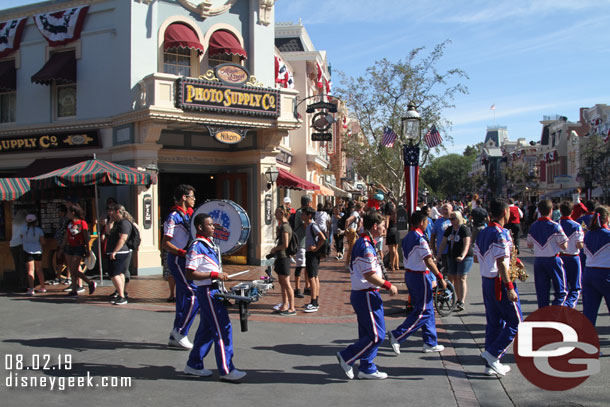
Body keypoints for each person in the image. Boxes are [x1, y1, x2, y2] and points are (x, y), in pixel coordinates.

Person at [183, 213, 246, 382]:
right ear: (200, 227)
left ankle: (194, 364)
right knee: (223, 328)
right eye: (210, 225)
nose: (213, 227)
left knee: (208, 330)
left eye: (213, 224)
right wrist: (214, 274)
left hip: (213, 290)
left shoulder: (209, 244)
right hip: (208, 292)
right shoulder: (197, 246)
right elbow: (190, 272)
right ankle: (227, 370)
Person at [336, 211, 398, 380]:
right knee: (377, 335)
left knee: (367, 334)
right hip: (366, 295)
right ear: (375, 226)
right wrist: (388, 285)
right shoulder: (365, 245)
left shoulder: (366, 243)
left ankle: (367, 367)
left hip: (365, 294)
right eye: (383, 225)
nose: (385, 228)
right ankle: (348, 356)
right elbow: (369, 274)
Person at [474, 198, 523, 376]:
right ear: (504, 212)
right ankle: (493, 354)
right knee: (516, 323)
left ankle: (491, 364)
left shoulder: (484, 232)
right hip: (499, 281)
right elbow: (501, 262)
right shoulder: (500, 233)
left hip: (487, 279)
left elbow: (475, 258)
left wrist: (514, 260)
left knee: (494, 323)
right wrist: (509, 286)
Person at [388, 210, 447, 355]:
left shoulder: (408, 236)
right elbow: (428, 260)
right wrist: (439, 277)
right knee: (424, 311)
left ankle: (430, 342)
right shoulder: (419, 238)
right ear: (421, 222)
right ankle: (398, 334)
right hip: (420, 276)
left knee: (427, 309)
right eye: (427, 221)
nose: (428, 224)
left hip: (411, 274)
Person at [163, 184, 198, 349]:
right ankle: (181, 332)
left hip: (186, 259)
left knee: (184, 298)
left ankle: (174, 334)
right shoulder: (174, 217)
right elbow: (166, 243)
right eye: (192, 196)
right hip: (178, 260)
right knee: (193, 295)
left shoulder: (190, 216)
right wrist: (182, 252)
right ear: (184, 197)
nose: (194, 199)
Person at [527, 199, 569, 308]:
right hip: (553, 259)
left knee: (542, 294)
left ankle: (544, 316)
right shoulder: (555, 226)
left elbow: (529, 245)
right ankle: (554, 312)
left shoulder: (533, 226)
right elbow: (564, 246)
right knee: (561, 291)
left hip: (539, 261)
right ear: (551, 210)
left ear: (539, 211)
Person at [437, 211, 473, 311]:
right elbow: (443, 243)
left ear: (458, 218)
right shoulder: (449, 230)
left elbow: (466, 244)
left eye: (453, 219)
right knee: (452, 277)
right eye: (450, 219)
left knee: (461, 277)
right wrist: (438, 254)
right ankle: (457, 298)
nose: (451, 221)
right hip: (452, 255)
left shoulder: (464, 229)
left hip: (465, 257)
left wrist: (462, 255)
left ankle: (461, 301)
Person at [58, 205, 96, 297]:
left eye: (68, 212)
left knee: (75, 269)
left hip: (79, 247)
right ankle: (74, 290)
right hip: (69, 247)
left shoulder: (82, 223)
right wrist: (62, 248)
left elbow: (86, 236)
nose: (67, 214)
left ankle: (89, 282)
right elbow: (66, 236)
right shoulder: (69, 223)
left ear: (73, 213)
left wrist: (87, 248)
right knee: (71, 269)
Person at [581, 206, 610, 327]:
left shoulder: (588, 235)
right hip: (605, 274)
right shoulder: (608, 234)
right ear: (607, 218)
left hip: (588, 274)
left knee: (589, 313)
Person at [105, 204, 134, 305]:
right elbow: (108, 232)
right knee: (119, 273)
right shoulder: (117, 223)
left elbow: (123, 238)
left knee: (114, 274)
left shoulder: (124, 223)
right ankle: (121, 294)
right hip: (116, 251)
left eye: (111, 211)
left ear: (117, 211)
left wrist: (115, 251)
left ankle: (122, 296)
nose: (110, 213)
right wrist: (110, 221)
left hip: (120, 252)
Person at [269, 207, 295, 316]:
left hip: (284, 258)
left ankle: (292, 307)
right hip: (280, 257)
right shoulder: (281, 226)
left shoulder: (285, 226)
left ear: (282, 213)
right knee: (282, 283)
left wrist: (275, 249)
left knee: (287, 283)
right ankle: (285, 304)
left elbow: (285, 245)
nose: (275, 215)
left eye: (276, 213)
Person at [558, 202, 584, 309]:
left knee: (562, 286)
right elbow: (579, 245)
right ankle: (569, 305)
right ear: (572, 212)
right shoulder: (577, 226)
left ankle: (562, 303)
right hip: (573, 257)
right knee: (575, 287)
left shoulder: (556, 224)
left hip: (559, 257)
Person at [303, 207, 325, 313]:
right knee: (315, 277)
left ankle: (314, 302)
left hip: (312, 254)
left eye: (304, 214)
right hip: (311, 254)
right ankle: (315, 300)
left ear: (309, 215)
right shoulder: (309, 226)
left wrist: (315, 248)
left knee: (312, 278)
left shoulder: (312, 225)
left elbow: (323, 237)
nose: (302, 216)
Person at [20, 214, 47, 295]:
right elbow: (43, 242)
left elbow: (21, 237)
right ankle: (42, 286)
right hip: (38, 251)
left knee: (30, 270)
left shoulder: (23, 229)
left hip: (27, 250)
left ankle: (31, 288)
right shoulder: (39, 230)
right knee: (39, 269)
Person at [292, 195, 311, 299]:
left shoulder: (304, 212)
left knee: (307, 266)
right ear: (307, 203)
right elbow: (305, 225)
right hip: (300, 243)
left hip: (306, 243)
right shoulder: (300, 213)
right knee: (300, 266)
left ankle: (307, 286)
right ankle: (297, 288)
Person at [431, 203, 453, 272]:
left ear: (451, 210)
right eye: (443, 209)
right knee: (442, 272)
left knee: (452, 274)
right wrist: (434, 250)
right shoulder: (438, 221)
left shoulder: (454, 220)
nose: (445, 211)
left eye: (446, 209)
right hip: (442, 252)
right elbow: (433, 236)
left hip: (453, 252)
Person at [10, 209, 27, 291]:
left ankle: (18, 283)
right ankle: (24, 283)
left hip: (13, 244)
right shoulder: (24, 223)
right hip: (21, 244)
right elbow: (22, 235)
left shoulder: (14, 223)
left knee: (17, 265)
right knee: (22, 265)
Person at [344, 202, 363, 267]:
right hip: (352, 230)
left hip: (352, 230)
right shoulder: (355, 214)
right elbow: (347, 220)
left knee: (352, 247)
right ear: (360, 208)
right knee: (352, 248)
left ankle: (350, 262)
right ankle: (348, 262)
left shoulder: (355, 213)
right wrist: (346, 228)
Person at [385, 202, 400, 271]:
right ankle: (397, 265)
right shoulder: (395, 214)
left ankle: (392, 266)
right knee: (396, 250)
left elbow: (386, 226)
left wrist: (385, 220)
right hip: (396, 231)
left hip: (390, 231)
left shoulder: (388, 215)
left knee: (392, 250)